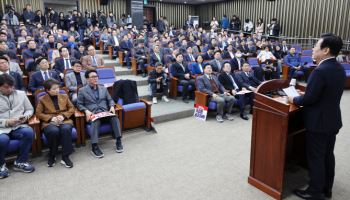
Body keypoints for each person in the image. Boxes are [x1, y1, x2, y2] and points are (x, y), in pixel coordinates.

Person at [289, 33, 346, 200]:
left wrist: (294, 98)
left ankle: (314, 192)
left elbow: (309, 99)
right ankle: (327, 189)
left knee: (316, 158)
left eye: (316, 46)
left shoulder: (320, 71)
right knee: (328, 155)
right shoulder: (338, 68)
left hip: (318, 123)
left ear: (326, 50)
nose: (312, 49)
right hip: (332, 119)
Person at [77, 70, 123, 158]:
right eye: (93, 77)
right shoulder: (82, 90)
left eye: (96, 76)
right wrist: (86, 111)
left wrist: (112, 106)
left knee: (114, 117)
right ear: (87, 79)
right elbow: (79, 104)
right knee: (95, 121)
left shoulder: (103, 88)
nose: (95, 78)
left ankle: (118, 140)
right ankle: (94, 146)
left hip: (105, 112)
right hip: (93, 113)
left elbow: (110, 99)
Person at [0, 74, 35, 178]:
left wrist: (25, 117)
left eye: (12, 86)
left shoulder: (21, 94)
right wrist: (6, 122)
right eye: (6, 87)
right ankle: (1, 165)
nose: (10, 89)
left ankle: (20, 161)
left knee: (29, 132)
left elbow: (30, 109)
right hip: (1, 128)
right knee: (2, 140)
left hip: (17, 126)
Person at [36, 79, 75, 168]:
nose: (57, 90)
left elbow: (72, 108)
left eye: (57, 88)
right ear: (47, 90)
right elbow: (38, 113)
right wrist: (51, 118)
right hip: (50, 121)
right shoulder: (42, 99)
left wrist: (63, 116)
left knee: (65, 129)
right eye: (54, 89)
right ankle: (52, 155)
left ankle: (65, 156)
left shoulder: (64, 96)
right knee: (53, 131)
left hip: (64, 119)